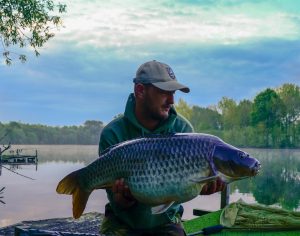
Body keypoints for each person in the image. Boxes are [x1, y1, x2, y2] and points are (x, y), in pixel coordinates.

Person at [98, 60, 226, 236]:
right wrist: (123, 199)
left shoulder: (183, 131)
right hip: (122, 220)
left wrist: (202, 187)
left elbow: (184, 188)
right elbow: (117, 202)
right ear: (140, 91)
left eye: (173, 93)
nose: (172, 101)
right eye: (164, 93)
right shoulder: (113, 133)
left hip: (166, 221)